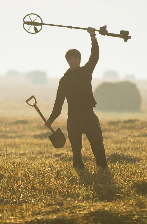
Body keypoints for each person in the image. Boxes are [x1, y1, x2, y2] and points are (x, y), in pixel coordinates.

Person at [45, 27, 108, 170]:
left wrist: (93, 37)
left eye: (75, 58)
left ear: (79, 60)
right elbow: (58, 103)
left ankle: (103, 168)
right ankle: (79, 170)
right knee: (76, 148)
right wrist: (51, 119)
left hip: (88, 114)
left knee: (97, 143)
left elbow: (95, 56)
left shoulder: (86, 71)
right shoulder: (64, 80)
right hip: (73, 117)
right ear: (67, 61)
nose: (73, 61)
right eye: (70, 59)